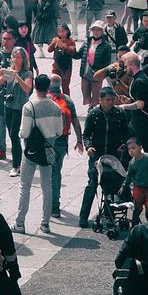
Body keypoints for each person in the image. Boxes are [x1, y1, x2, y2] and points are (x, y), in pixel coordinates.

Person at [14, 75, 64, 235]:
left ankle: (20, 223)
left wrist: (20, 134)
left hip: (31, 151)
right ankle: (45, 223)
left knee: (24, 187)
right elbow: (59, 131)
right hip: (48, 150)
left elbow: (24, 132)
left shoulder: (29, 106)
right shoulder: (56, 107)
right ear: (48, 87)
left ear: (35, 87)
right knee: (47, 187)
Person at [79, 85, 130, 227]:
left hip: (114, 156)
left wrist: (124, 145)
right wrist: (89, 146)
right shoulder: (93, 114)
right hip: (97, 157)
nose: (110, 102)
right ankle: (83, 217)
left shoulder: (119, 114)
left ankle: (110, 214)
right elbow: (87, 134)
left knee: (113, 185)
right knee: (92, 184)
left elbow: (126, 132)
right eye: (107, 100)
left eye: (112, 99)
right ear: (100, 100)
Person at [47, 72, 83, 219]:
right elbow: (75, 121)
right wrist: (79, 141)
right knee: (56, 172)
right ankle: (55, 205)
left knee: (48, 173)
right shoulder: (67, 100)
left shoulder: (45, 99)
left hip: (47, 141)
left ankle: (51, 204)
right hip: (62, 140)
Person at [0, 46, 33, 177]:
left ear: (23, 59)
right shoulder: (9, 72)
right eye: (14, 57)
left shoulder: (27, 73)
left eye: (18, 57)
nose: (16, 59)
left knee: (14, 135)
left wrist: (17, 77)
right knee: (11, 134)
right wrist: (0, 73)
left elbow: (27, 89)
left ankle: (16, 165)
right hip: (8, 106)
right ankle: (19, 162)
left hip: (19, 107)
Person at [121, 134, 148, 224]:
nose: (131, 151)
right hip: (138, 188)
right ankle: (134, 223)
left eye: (134, 148)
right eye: (129, 149)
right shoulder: (132, 163)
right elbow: (129, 176)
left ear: (140, 147)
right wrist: (124, 186)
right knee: (137, 207)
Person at [79, 20, 112, 107]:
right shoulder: (87, 42)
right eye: (94, 30)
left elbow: (107, 63)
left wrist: (103, 74)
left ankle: (94, 109)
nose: (96, 32)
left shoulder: (106, 46)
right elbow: (77, 54)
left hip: (97, 73)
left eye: (98, 30)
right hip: (85, 72)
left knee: (96, 95)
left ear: (102, 32)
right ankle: (90, 107)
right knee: (85, 92)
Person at [46, 23, 78, 97]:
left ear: (67, 31)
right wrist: (53, 43)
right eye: (60, 32)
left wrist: (64, 46)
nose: (61, 34)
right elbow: (49, 50)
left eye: (63, 31)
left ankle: (67, 101)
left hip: (66, 67)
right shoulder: (56, 40)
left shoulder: (71, 41)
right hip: (56, 65)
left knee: (65, 86)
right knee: (53, 84)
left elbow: (73, 52)